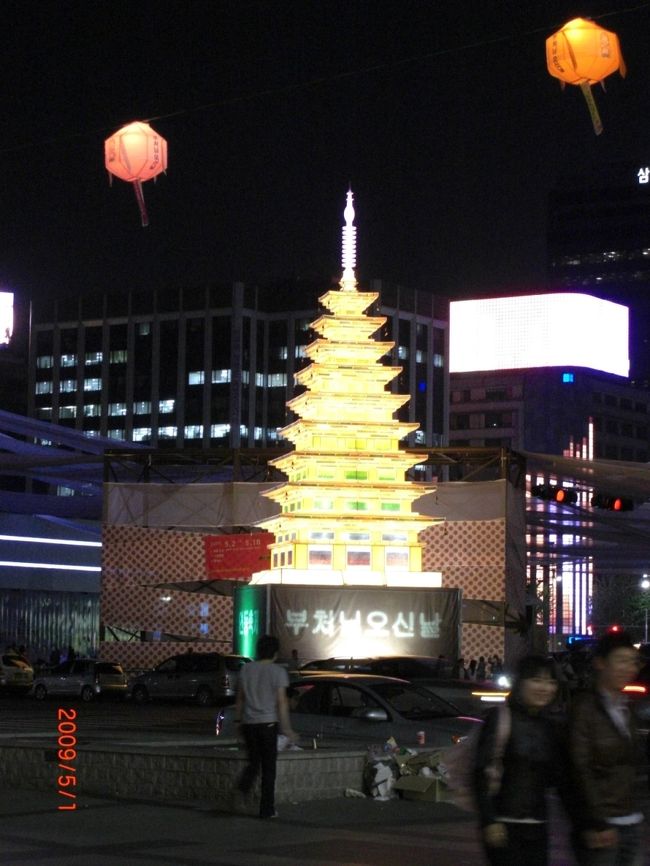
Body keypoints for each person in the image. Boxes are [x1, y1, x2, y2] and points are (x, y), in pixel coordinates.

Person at [474, 654, 569, 866]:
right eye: (536, 680)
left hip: (538, 825)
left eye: (551, 682)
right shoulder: (501, 718)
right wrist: (489, 820)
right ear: (520, 682)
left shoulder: (550, 725)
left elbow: (560, 779)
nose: (545, 688)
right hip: (504, 826)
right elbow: (481, 771)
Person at [569, 630, 644, 866]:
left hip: (631, 819)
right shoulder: (584, 709)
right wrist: (594, 822)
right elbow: (579, 769)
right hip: (602, 828)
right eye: (621, 661)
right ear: (600, 663)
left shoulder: (627, 708)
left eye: (632, 662)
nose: (629, 668)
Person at [235, 634, 298, 819]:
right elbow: (282, 703)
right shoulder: (278, 672)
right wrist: (287, 729)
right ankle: (267, 809)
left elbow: (239, 699)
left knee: (254, 763)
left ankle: (241, 789)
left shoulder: (246, 669)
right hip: (268, 724)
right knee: (269, 769)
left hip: (249, 724)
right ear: (275, 653)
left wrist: (238, 722)